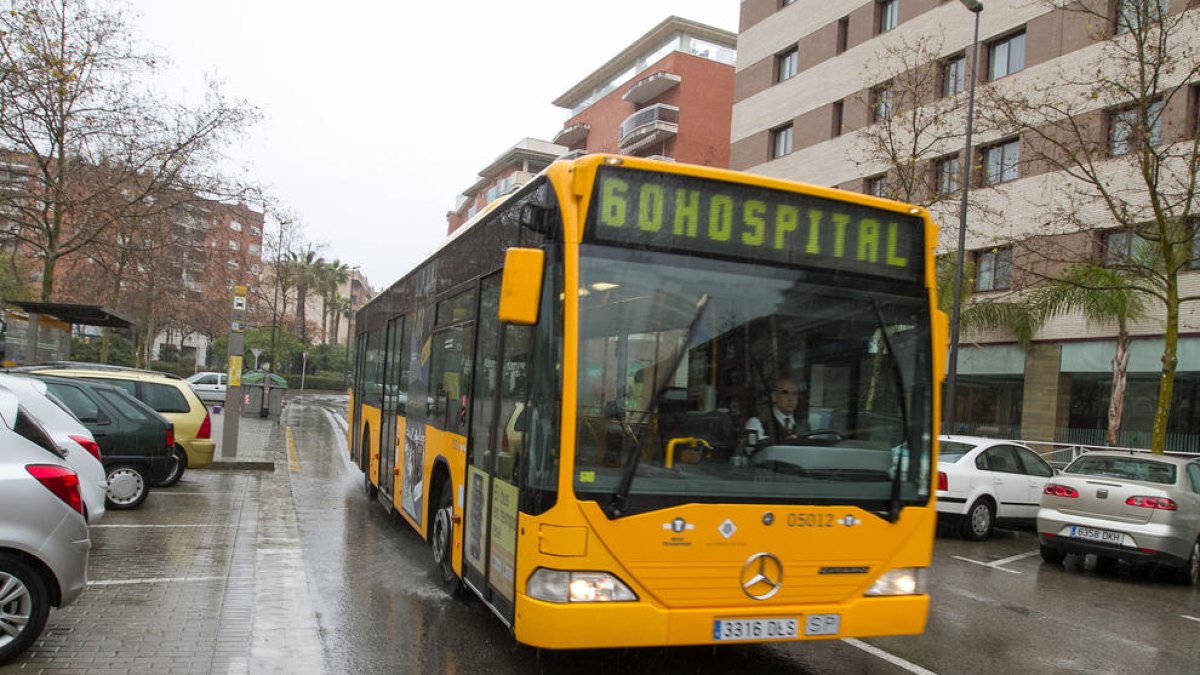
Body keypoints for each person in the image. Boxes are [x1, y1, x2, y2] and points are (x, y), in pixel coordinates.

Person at [744, 377, 807, 446]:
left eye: (795, 393)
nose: (791, 398)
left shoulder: (803, 425)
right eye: (785, 393)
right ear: (774, 397)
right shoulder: (758, 422)